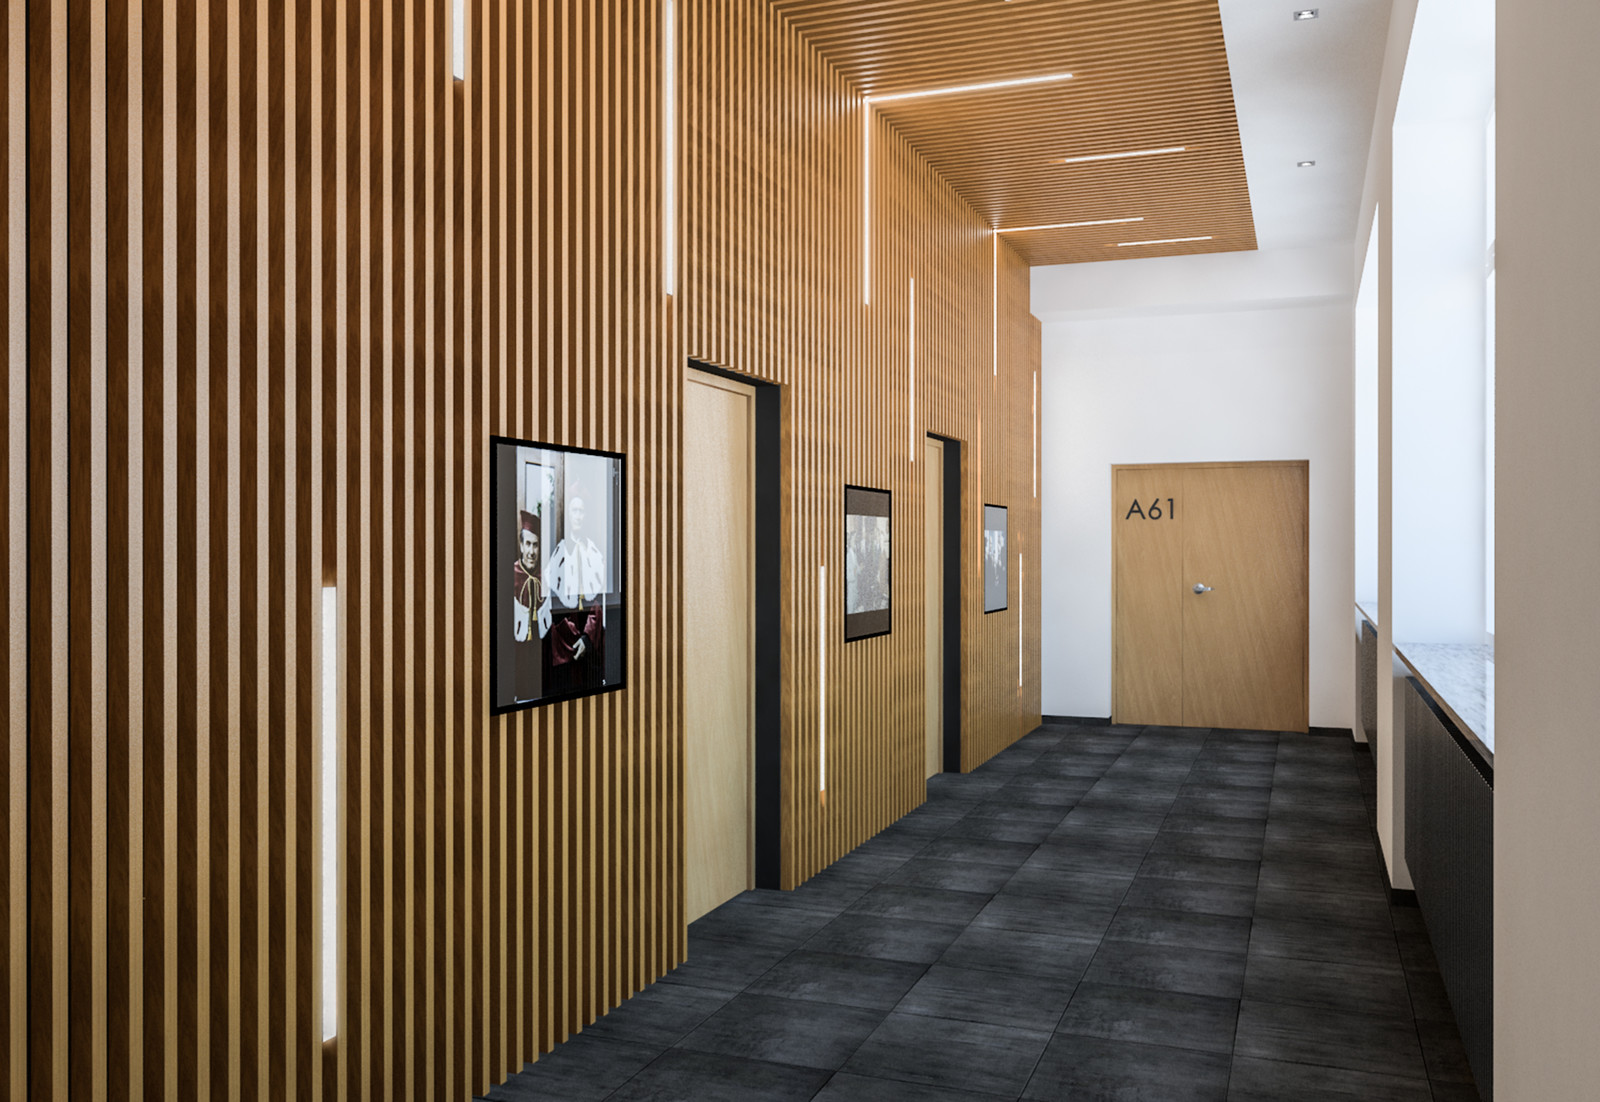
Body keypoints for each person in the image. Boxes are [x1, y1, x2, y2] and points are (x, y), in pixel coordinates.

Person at [543, 491, 607, 692]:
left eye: (581, 511)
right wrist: (572, 637)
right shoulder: (558, 554)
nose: (578, 516)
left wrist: (586, 638)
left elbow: (598, 602)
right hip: (565, 642)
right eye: (574, 511)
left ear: (585, 516)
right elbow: (553, 603)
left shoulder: (594, 553)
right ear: (568, 516)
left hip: (589, 641)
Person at [510, 510, 543, 642]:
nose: (531, 552)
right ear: (521, 546)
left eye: (535, 545)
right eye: (528, 544)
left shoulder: (544, 577)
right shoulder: (512, 574)